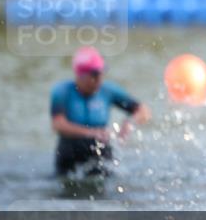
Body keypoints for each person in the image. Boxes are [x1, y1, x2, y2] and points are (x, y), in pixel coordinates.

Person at [50, 46, 150, 178]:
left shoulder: (107, 91)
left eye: (101, 74)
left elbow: (143, 111)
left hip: (100, 148)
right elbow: (58, 125)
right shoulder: (62, 91)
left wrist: (129, 123)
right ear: (80, 76)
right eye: (94, 75)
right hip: (70, 149)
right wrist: (92, 133)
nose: (99, 80)